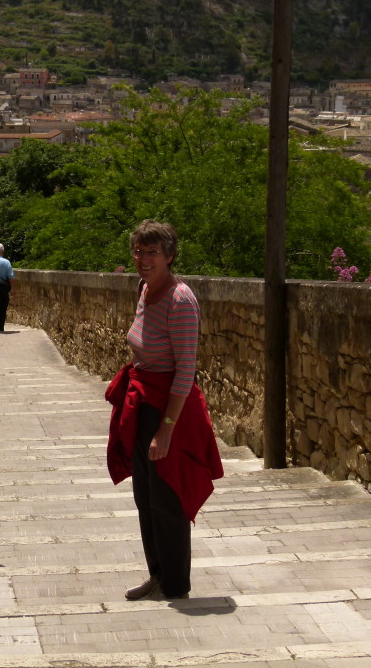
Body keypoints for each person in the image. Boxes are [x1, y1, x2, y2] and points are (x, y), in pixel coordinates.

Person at [105, 220, 223, 601]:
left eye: (152, 252)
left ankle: (175, 586)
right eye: (138, 251)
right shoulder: (144, 290)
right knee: (146, 497)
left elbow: (186, 370)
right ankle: (157, 575)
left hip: (169, 409)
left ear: (169, 256)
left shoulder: (180, 301)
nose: (143, 259)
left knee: (168, 498)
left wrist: (166, 429)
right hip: (142, 403)